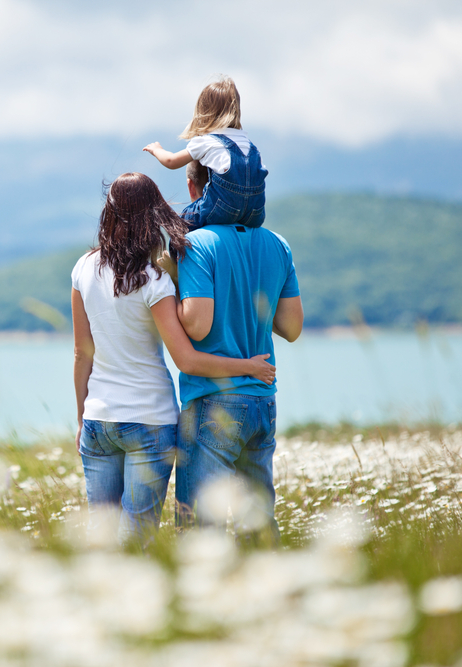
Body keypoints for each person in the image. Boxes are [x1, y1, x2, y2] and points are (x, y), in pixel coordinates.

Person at [71, 172, 276, 546]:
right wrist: (248, 366)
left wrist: (82, 416)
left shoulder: (83, 268)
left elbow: (82, 353)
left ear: (110, 213)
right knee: (138, 541)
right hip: (149, 420)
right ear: (152, 215)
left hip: (98, 419)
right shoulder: (155, 280)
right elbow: (188, 360)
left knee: (99, 539)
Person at [173, 168, 303, 541]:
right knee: (258, 523)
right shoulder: (278, 244)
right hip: (263, 399)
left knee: (200, 526)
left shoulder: (196, 244)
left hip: (212, 401)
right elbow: (292, 329)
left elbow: (197, 325)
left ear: (194, 186)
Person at [142, 76, 267, 231]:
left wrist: (157, 150)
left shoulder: (207, 141)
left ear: (203, 112)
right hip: (255, 213)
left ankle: (172, 255)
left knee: (182, 222)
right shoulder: (249, 144)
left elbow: (171, 161)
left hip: (223, 209)